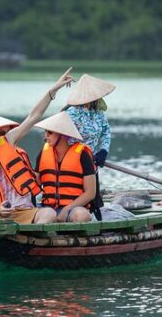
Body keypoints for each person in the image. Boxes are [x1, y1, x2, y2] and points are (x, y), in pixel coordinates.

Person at [0, 68, 74, 224]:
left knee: (48, 214)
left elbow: (33, 116)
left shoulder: (8, 140)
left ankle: (33, 239)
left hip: (24, 211)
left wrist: (53, 90)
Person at [64, 74, 116, 219]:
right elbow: (63, 138)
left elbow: (106, 131)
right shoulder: (71, 114)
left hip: (92, 162)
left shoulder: (98, 114)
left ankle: (95, 218)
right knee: (78, 195)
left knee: (94, 199)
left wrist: (103, 150)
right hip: (74, 163)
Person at [34, 111, 96, 222]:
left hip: (73, 209)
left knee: (82, 215)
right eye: (45, 132)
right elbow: (34, 185)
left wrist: (67, 209)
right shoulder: (43, 153)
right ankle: (39, 233)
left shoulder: (83, 154)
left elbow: (90, 193)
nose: (46, 135)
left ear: (62, 134)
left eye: (50, 132)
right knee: (48, 214)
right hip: (47, 208)